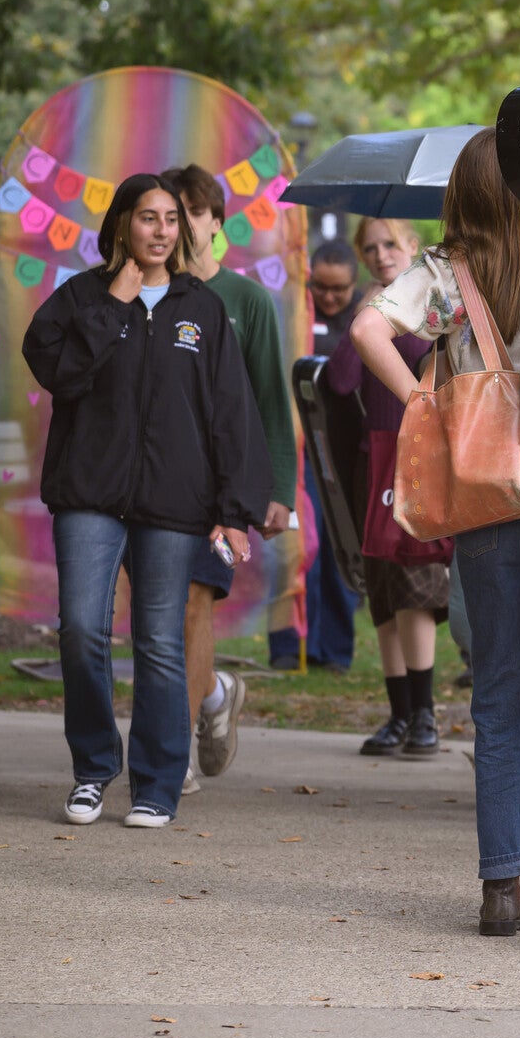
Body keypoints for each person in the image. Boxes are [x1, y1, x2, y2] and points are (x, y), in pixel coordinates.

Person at [351, 129, 520, 948]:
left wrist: (422, 403)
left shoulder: (447, 275)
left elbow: (369, 328)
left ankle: (502, 887)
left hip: (488, 503)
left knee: (503, 697)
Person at [23, 173, 270, 829]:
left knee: (160, 640)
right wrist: (113, 304)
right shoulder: (79, 298)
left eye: (170, 219)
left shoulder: (203, 309)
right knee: (80, 629)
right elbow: (60, 374)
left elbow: (230, 413)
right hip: (90, 492)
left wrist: (233, 506)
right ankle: (92, 771)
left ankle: (157, 782)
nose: (161, 230)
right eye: (147, 218)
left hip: (175, 501)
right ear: (121, 226)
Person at [164, 166, 298, 795]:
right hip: (156, 481)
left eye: (194, 210)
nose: (184, 222)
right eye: (172, 210)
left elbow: (272, 398)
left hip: (222, 491)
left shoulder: (247, 301)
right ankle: (216, 692)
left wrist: (278, 489)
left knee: (195, 605)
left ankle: (174, 753)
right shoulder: (148, 294)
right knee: (158, 613)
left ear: (216, 221)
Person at [324, 295, 448, 759]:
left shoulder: (431, 311)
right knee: (382, 589)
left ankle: (424, 712)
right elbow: (340, 380)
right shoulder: (369, 316)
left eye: (389, 248)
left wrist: (404, 314)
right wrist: (365, 314)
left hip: (420, 459)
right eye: (371, 249)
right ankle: (399, 713)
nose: (381, 257)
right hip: (372, 464)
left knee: (416, 580)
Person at [302, 239, 366, 673]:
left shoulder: (364, 315)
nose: (327, 297)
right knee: (304, 549)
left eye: (337, 290)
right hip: (303, 449)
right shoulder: (296, 311)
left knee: (341, 549)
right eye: (319, 288)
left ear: (354, 285)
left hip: (346, 454)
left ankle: (336, 653)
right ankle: (297, 646)